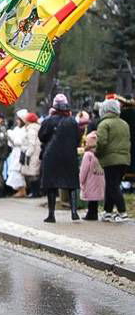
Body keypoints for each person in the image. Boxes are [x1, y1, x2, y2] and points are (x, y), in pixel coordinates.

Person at [38, 94, 81, 223]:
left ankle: (51, 214)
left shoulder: (48, 120)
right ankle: (74, 212)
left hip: (51, 155)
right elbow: (78, 138)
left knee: (51, 184)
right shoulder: (73, 121)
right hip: (69, 155)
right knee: (71, 183)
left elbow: (41, 136)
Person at [96, 96, 131, 221]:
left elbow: (101, 142)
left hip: (110, 159)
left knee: (112, 186)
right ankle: (107, 212)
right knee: (112, 185)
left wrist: (97, 153)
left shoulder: (104, 124)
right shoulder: (124, 124)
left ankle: (122, 212)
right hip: (124, 159)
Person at [80, 131, 105, 221]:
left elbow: (84, 169)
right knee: (95, 197)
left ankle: (91, 214)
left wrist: (81, 180)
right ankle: (94, 213)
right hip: (100, 178)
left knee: (91, 198)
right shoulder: (100, 153)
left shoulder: (88, 154)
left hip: (90, 180)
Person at [21, 112, 42, 197]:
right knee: (35, 173)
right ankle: (36, 192)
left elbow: (31, 143)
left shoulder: (31, 129)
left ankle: (34, 192)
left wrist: (27, 154)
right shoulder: (37, 128)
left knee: (33, 174)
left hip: (32, 154)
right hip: (36, 152)